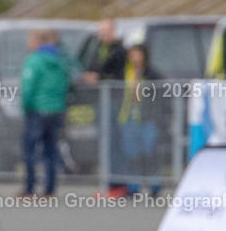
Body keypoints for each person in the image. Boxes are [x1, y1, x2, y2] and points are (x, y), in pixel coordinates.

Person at [19, 29, 71, 197]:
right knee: (50, 148)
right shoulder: (60, 61)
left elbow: (28, 88)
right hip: (56, 109)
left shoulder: (33, 60)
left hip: (37, 110)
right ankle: (49, 188)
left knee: (30, 149)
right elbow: (66, 84)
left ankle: (29, 187)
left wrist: (26, 107)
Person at [81, 19, 128, 194]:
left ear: (113, 32)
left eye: (106, 31)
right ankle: (109, 183)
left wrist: (98, 78)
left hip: (114, 101)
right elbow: (94, 67)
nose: (103, 35)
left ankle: (119, 183)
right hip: (100, 101)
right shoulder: (98, 49)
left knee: (114, 142)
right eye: (100, 31)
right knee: (105, 142)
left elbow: (113, 73)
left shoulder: (119, 50)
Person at [118, 44, 163, 196]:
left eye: (137, 54)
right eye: (132, 55)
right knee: (132, 155)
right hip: (129, 118)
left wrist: (157, 117)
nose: (134, 58)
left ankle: (154, 185)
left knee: (150, 154)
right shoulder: (125, 73)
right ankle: (133, 187)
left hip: (148, 120)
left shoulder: (152, 74)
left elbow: (160, 98)